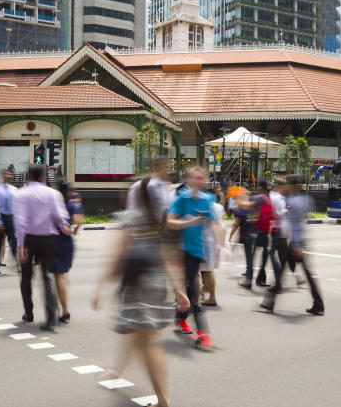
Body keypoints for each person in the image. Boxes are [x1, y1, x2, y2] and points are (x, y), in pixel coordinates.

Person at [91, 174, 190, 407]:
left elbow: (118, 255)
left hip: (138, 286)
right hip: (157, 285)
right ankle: (117, 370)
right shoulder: (159, 220)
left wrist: (101, 287)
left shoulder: (131, 218)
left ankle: (163, 400)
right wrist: (179, 290)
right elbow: (167, 257)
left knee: (149, 343)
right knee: (138, 334)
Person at [166, 165, 220, 350]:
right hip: (182, 250)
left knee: (191, 291)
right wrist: (188, 222)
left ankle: (179, 318)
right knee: (193, 294)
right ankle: (203, 333)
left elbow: (214, 223)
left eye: (202, 177)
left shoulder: (207, 199)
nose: (199, 181)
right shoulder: (183, 199)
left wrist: (221, 244)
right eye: (196, 177)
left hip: (199, 250)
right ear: (188, 180)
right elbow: (170, 222)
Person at [15, 164, 70, 331]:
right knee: (46, 278)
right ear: (43, 176)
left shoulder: (22, 193)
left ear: (28, 176)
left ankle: (28, 312)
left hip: (30, 239)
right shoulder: (53, 193)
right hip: (48, 239)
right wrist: (64, 228)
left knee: (26, 277)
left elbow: (21, 221)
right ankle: (51, 316)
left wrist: (21, 246)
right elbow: (60, 216)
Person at [260, 175, 324, 315]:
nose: (287, 187)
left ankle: (270, 302)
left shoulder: (293, 202)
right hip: (300, 240)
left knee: (291, 271)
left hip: (296, 242)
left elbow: (295, 225)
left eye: (289, 185)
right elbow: (304, 219)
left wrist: (296, 245)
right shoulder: (305, 199)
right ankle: (270, 302)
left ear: (292, 186)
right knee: (295, 272)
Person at [53, 180, 85, 323]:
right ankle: (63, 297)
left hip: (56, 241)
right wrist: (74, 231)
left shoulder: (55, 205)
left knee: (59, 276)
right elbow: (79, 221)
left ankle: (65, 310)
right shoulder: (72, 204)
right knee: (63, 275)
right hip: (68, 243)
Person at [199, 192, 225, 306]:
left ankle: (212, 297)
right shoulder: (219, 206)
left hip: (207, 240)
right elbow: (222, 224)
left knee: (208, 270)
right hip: (212, 241)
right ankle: (205, 287)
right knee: (206, 269)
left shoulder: (207, 206)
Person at [0, 169, 19, 274]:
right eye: (6, 174)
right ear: (2, 175)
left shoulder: (15, 190)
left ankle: (18, 263)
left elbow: (17, 206)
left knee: (14, 242)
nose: (8, 175)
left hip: (11, 218)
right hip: (1, 217)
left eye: (9, 174)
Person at [229, 187, 255, 289]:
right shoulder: (252, 208)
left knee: (249, 257)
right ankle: (249, 273)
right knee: (250, 256)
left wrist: (230, 235)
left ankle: (248, 279)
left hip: (245, 235)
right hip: (252, 234)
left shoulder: (239, 210)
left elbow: (236, 224)